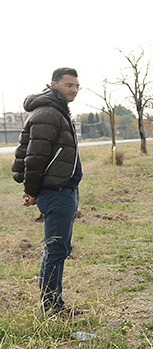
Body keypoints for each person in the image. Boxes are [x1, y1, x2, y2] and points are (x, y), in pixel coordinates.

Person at [11, 67, 84, 317]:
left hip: (66, 190)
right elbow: (35, 157)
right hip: (56, 192)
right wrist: (31, 191)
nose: (73, 90)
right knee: (55, 250)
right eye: (68, 85)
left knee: (60, 249)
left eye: (76, 86)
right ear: (54, 85)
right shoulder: (49, 113)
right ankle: (51, 310)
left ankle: (56, 305)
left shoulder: (58, 110)